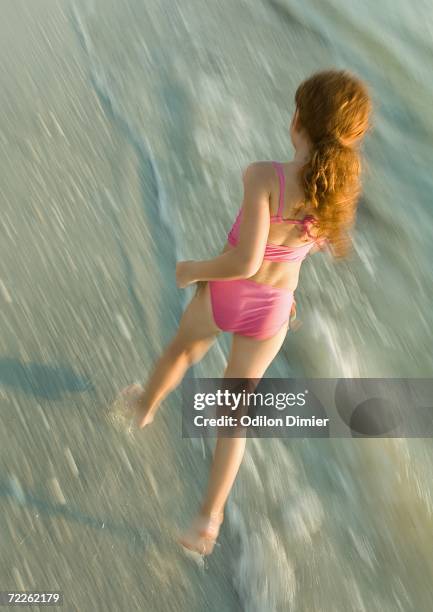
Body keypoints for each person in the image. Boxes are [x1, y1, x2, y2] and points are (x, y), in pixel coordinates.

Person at [119, 69, 372, 555]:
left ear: (296, 119)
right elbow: (295, 254)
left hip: (229, 293)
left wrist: (192, 270)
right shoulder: (333, 194)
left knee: (181, 352)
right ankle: (207, 521)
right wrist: (285, 291)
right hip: (274, 313)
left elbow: (246, 260)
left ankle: (144, 407)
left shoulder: (265, 176)